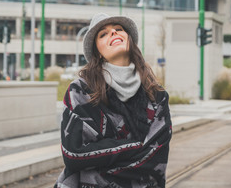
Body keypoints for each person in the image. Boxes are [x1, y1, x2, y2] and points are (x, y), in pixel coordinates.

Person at [55, 13, 172, 188]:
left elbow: (154, 158)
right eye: (103, 34)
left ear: (129, 40)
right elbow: (74, 155)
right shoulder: (81, 91)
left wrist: (102, 156)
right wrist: (136, 146)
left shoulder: (157, 96)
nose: (113, 33)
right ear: (98, 53)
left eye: (119, 29)